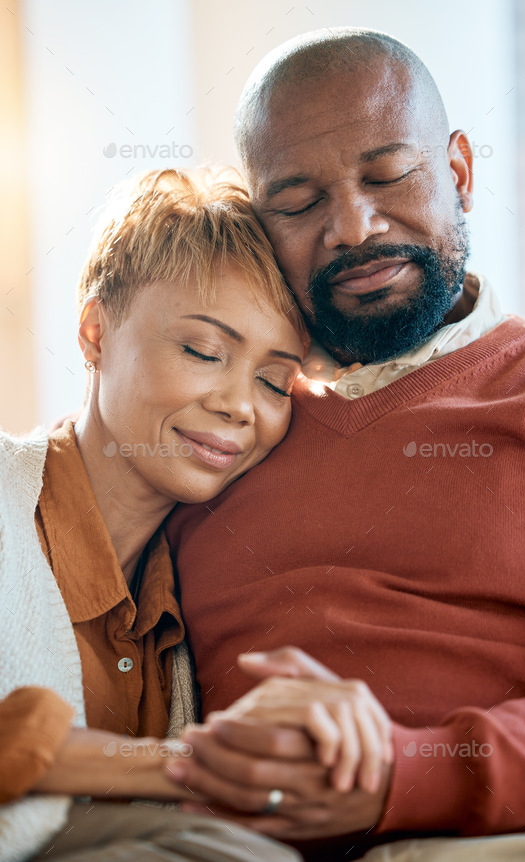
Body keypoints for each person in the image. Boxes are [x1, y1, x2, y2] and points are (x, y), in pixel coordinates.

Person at [166, 28, 525, 862]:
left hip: (511, 840)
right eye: (296, 201)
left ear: (460, 172)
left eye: (389, 175)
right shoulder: (211, 433)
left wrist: (403, 773)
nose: (353, 228)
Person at [0, 166, 321, 862]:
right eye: (203, 351)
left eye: (274, 380)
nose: (241, 404)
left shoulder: (191, 594)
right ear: (94, 333)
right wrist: (192, 763)